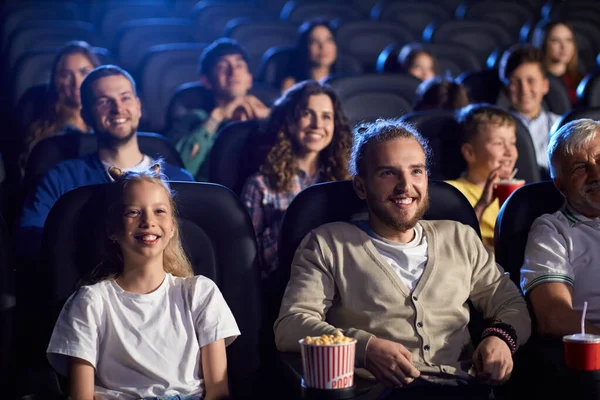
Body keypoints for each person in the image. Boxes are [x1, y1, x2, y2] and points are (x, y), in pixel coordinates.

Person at [275, 119, 531, 399]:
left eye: (416, 171)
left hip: (463, 389)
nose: (405, 186)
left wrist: (501, 338)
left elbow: (510, 302)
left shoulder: (460, 237)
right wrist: (364, 348)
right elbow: (292, 324)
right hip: (382, 393)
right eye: (388, 173)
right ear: (361, 187)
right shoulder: (327, 244)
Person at [46, 163, 240, 400]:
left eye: (159, 211)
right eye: (133, 212)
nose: (148, 221)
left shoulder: (200, 293)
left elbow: (218, 392)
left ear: (171, 228)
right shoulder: (91, 302)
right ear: (113, 230)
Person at [17, 65, 194, 258]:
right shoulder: (61, 178)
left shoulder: (179, 179)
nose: (118, 109)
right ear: (86, 115)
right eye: (104, 101)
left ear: (138, 106)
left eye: (125, 98)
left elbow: (196, 246)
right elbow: (29, 240)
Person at [241, 80, 352, 278]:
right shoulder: (259, 185)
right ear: (289, 121)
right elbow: (250, 262)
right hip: (284, 283)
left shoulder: (347, 181)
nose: (317, 125)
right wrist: (293, 219)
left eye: (326, 117)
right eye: (307, 114)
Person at [521, 119, 600, 337]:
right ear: (561, 185)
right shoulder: (552, 232)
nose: (596, 174)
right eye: (580, 168)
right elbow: (554, 316)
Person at [167, 38, 270, 181]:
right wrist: (217, 117)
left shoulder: (268, 116)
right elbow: (181, 171)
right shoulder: (193, 120)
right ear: (207, 81)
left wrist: (272, 119)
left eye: (239, 65)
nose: (233, 72)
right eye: (222, 66)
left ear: (249, 79)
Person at [20, 41, 100, 173]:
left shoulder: (108, 121)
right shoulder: (44, 132)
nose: (77, 82)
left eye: (84, 72)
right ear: (56, 81)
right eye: (66, 75)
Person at [447, 104, 518, 251]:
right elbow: (455, 243)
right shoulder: (452, 193)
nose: (510, 152)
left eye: (512, 143)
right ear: (470, 153)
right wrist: (482, 204)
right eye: (498, 143)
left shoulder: (519, 191)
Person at [499, 44, 559, 173]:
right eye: (515, 82)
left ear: (545, 85)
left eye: (531, 81)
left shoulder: (561, 127)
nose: (524, 90)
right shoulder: (494, 131)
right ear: (506, 87)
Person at [533, 20, 584, 105]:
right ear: (544, 43)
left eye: (568, 40)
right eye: (555, 40)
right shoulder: (535, 81)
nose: (564, 46)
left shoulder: (582, 81)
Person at [280, 19, 337, 92]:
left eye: (329, 40)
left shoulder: (346, 83)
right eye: (314, 41)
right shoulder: (292, 87)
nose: (322, 47)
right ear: (304, 47)